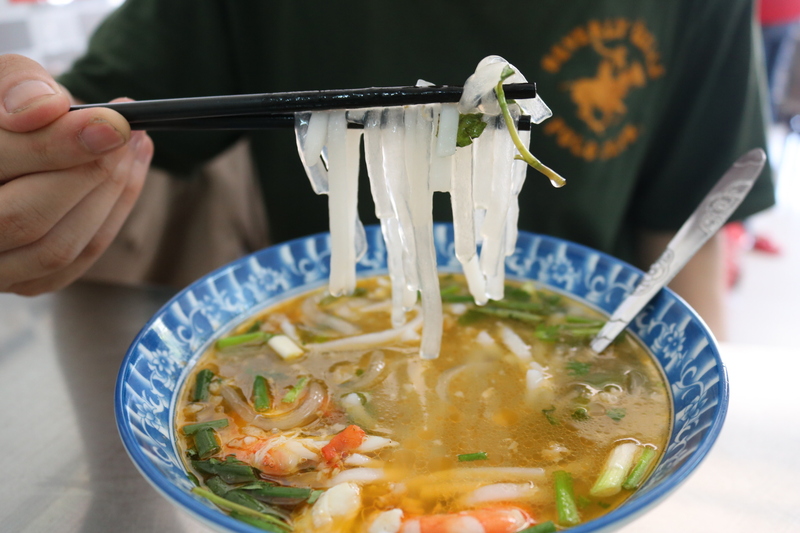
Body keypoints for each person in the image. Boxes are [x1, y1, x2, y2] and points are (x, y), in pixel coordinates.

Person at [0, 0, 775, 340]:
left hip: (581, 334)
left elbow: (689, 227)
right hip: (318, 335)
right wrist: (38, 172)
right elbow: (95, 123)